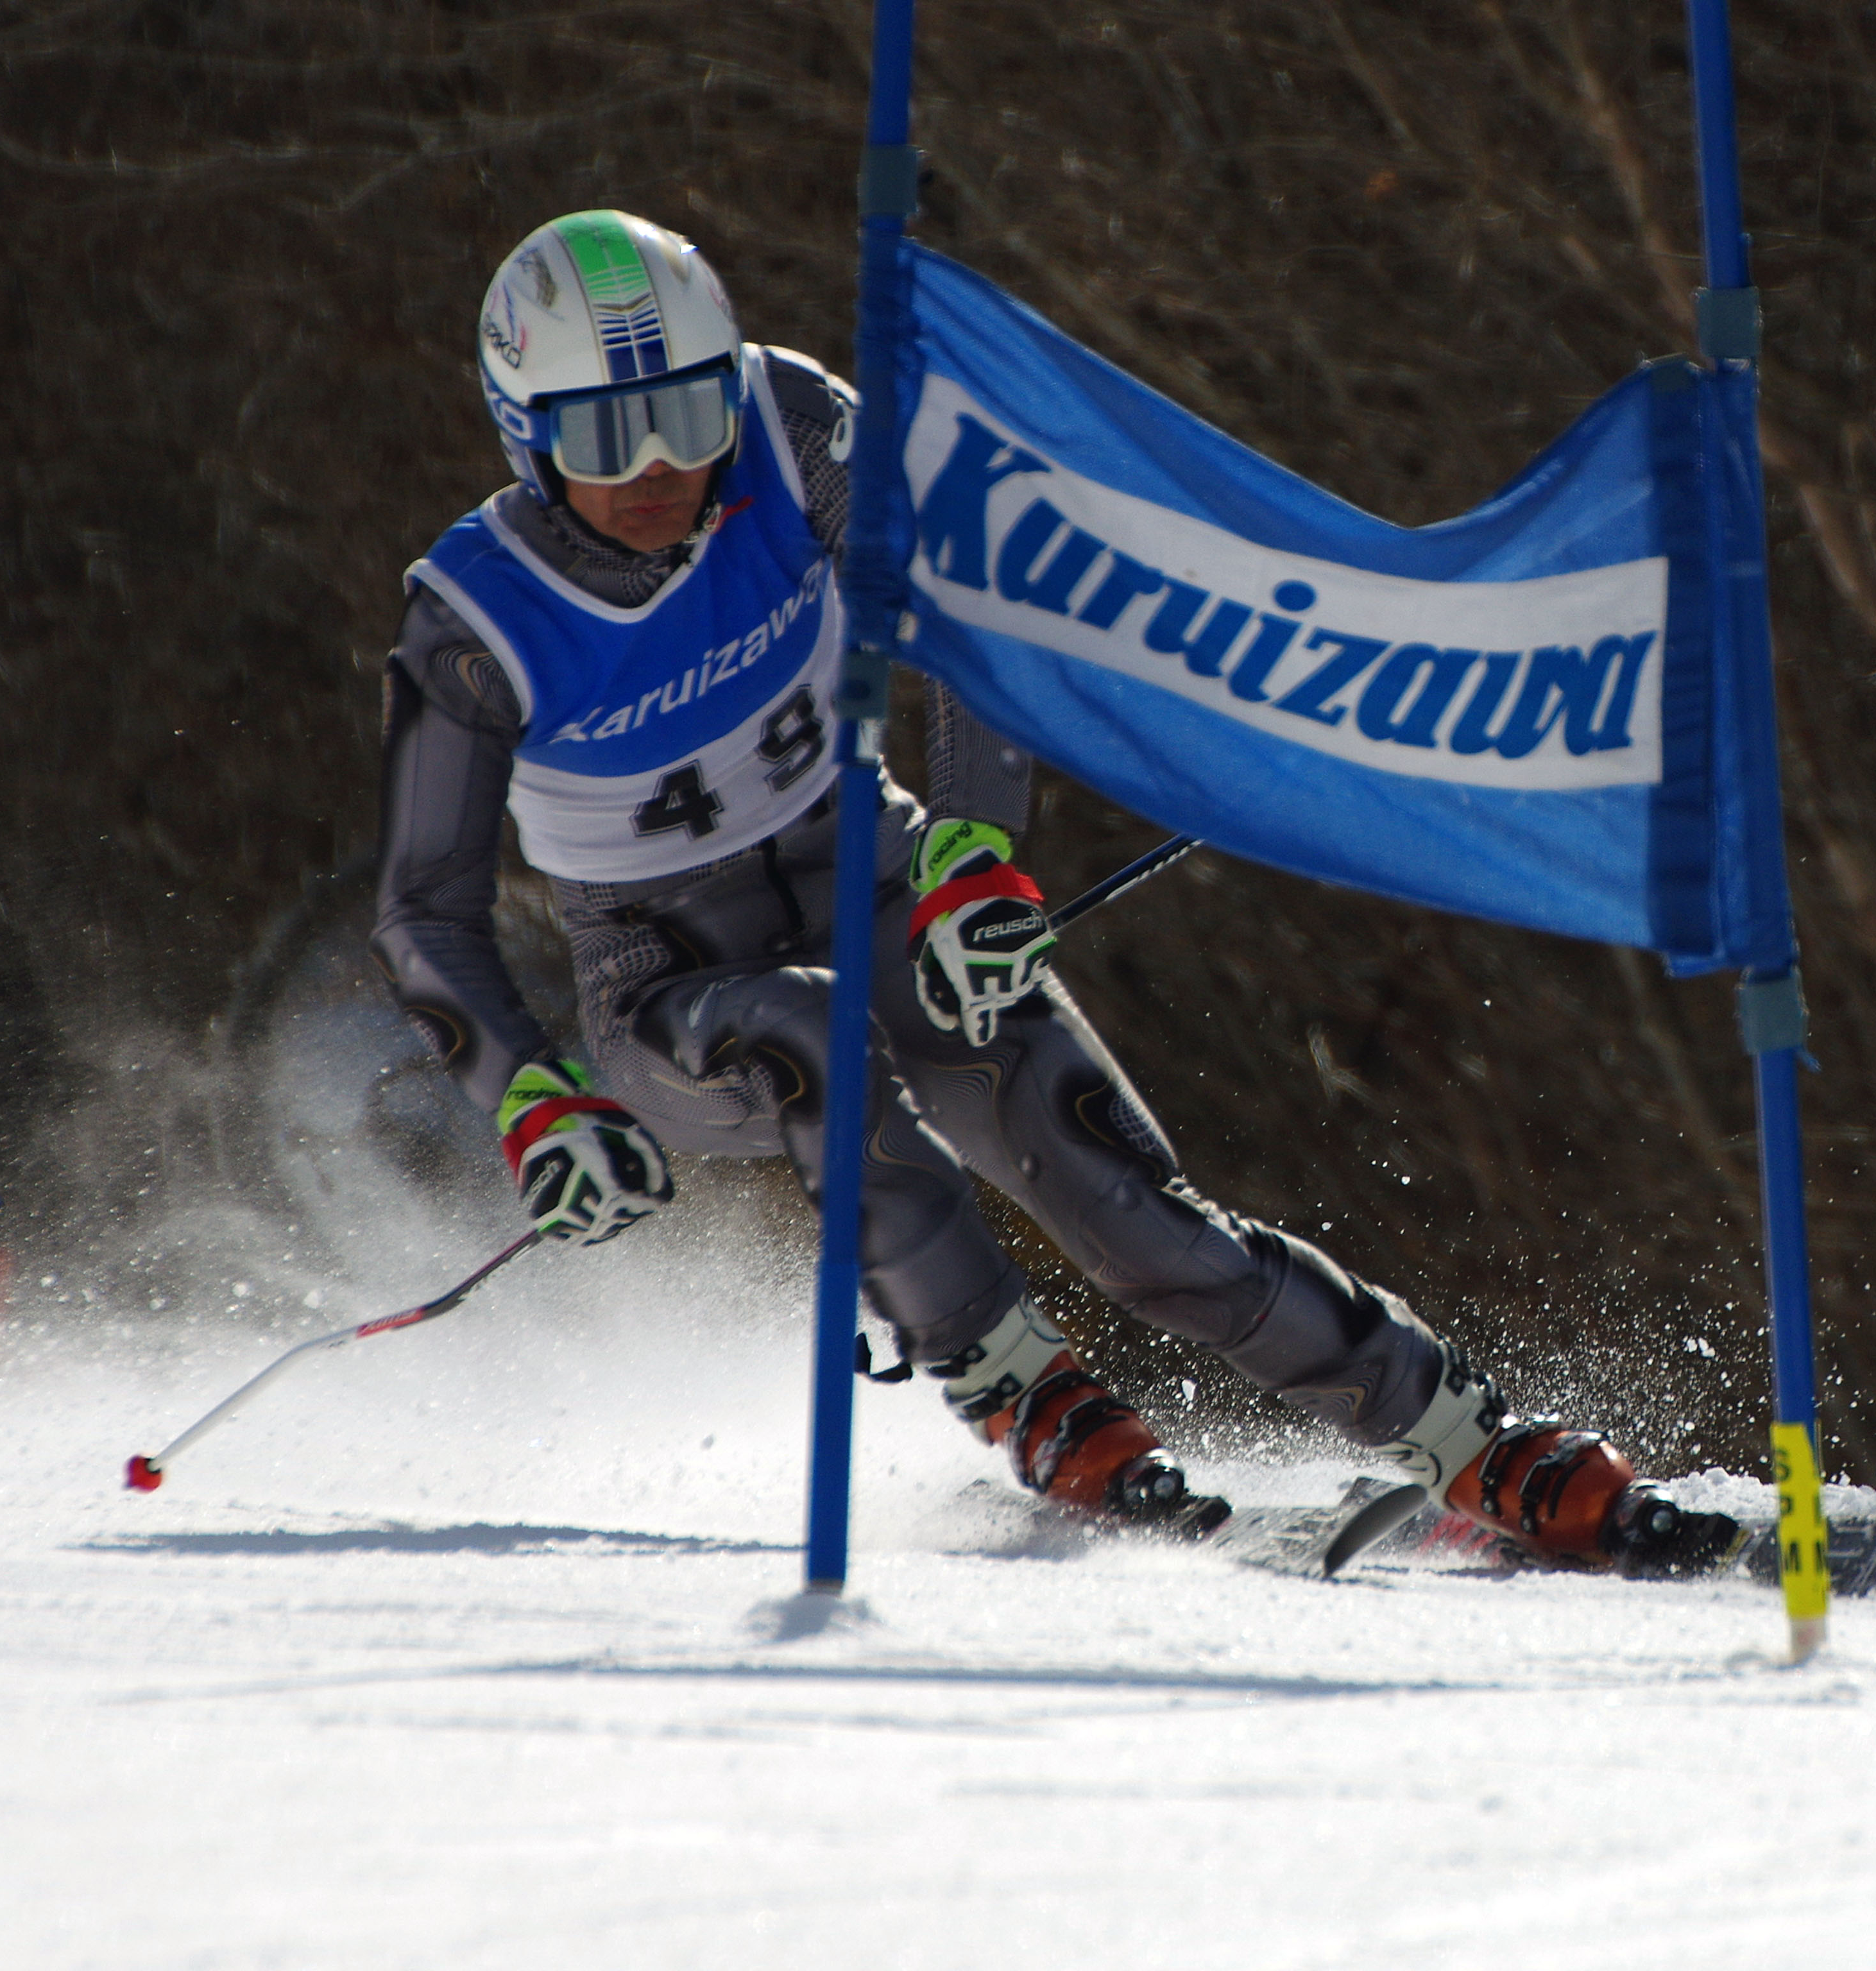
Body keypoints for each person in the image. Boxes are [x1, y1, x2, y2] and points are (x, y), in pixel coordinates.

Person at [373, 209, 1729, 1574]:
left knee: (1126, 1201)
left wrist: (972, 856)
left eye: (685, 413)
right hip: (668, 986)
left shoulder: (789, 429)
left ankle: (1465, 1439)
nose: (660, 467)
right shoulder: (475, 621)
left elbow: (972, 615)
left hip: (876, 882)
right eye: (606, 438)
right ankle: (1018, 1387)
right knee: (805, 1027)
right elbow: (425, 913)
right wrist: (535, 1101)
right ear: (525, 436)